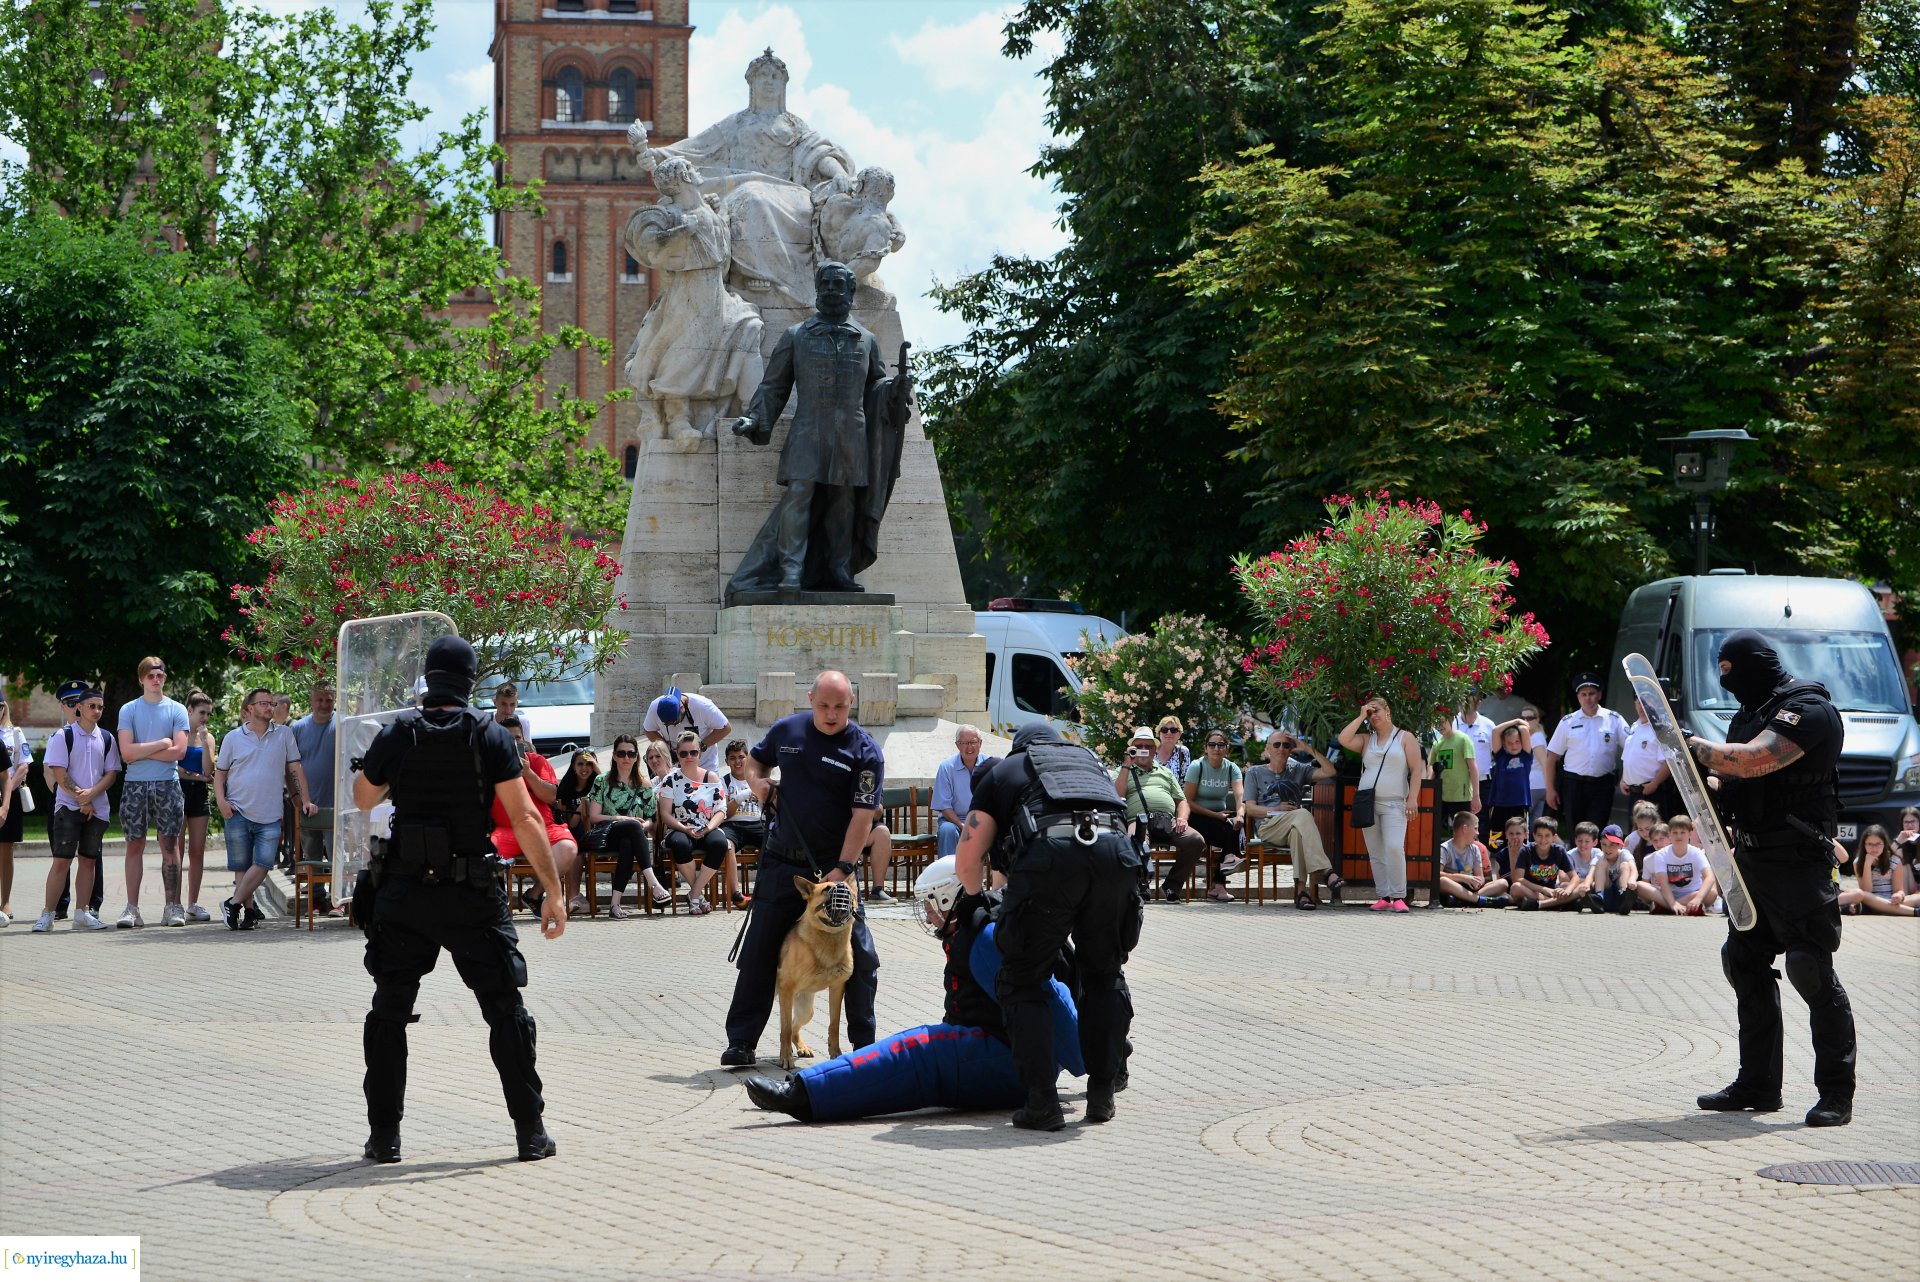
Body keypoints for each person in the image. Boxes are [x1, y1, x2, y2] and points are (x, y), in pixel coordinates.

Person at [351, 634, 567, 1163]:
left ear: (428, 679)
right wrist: (554, 893)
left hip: (403, 893)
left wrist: (390, 772)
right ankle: (530, 1133)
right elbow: (525, 817)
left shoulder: (398, 732)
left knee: (388, 1013)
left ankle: (384, 1139)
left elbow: (362, 797)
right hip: (470, 894)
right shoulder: (489, 735)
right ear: (470, 682)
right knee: (505, 1011)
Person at [740, 856, 1085, 1123]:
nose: (930, 916)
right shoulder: (974, 931)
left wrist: (1088, 1060)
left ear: (950, 898)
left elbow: (1050, 996)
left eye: (932, 905)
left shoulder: (987, 940)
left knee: (914, 1050)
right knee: (909, 1077)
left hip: (1011, 1059)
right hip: (1004, 1052)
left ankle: (802, 1092)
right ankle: (814, 1097)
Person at [1685, 630, 1857, 1125]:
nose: (1728, 682)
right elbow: (1734, 780)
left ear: (1757, 664)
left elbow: (1757, 759)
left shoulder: (1809, 709)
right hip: (1754, 863)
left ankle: (1835, 1094)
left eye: (1731, 671)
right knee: (1743, 963)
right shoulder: (1747, 714)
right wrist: (1699, 780)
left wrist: (1690, 745)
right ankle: (1758, 1084)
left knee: (1811, 971)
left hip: (1799, 865)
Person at [954, 723, 1139, 1130]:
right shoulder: (1090, 765)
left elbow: (967, 862)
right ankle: (1102, 1094)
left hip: (1051, 862)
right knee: (1104, 976)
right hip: (1116, 858)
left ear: (1021, 749)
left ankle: (1041, 1103)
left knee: (1022, 979)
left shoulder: (1005, 770)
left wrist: (975, 898)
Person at [720, 670, 883, 1067]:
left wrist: (843, 870)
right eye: (824, 705)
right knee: (759, 950)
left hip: (834, 869)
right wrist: (758, 784)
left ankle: (864, 1045)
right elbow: (755, 766)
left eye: (840, 706)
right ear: (810, 699)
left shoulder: (864, 751)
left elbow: (863, 817)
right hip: (781, 861)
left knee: (860, 955)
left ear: (852, 704)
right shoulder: (787, 731)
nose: (831, 714)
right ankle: (741, 1042)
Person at [725, 260, 912, 598]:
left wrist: (893, 390)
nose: (829, 290)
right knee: (799, 497)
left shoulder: (866, 340)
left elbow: (876, 387)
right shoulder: (796, 336)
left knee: (844, 504)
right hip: (808, 431)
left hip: (850, 436)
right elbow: (774, 386)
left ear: (851, 291)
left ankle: (840, 570)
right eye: (824, 284)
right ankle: (791, 573)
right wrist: (754, 418)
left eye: (837, 285)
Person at [620, 154, 766, 444]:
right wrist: (679, 232)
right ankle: (679, 421)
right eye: (689, 169)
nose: (696, 172)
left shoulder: (709, 210)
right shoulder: (673, 215)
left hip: (716, 292)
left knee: (749, 327)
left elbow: (722, 253)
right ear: (684, 178)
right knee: (683, 353)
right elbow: (651, 250)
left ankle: (753, 410)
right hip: (689, 293)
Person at [214, 687, 315, 931]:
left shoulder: (284, 734)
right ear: (250, 709)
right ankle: (247, 912)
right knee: (242, 867)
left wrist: (305, 799)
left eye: (272, 703)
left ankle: (232, 902)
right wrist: (221, 802)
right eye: (264, 704)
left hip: (270, 813)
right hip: (237, 810)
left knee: (264, 863)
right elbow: (220, 775)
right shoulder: (232, 738)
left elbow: (295, 769)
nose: (270, 707)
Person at [32, 687, 119, 932]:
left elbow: (111, 773)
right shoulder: (63, 735)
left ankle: (82, 912)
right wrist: (83, 798)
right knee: (62, 861)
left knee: (89, 862)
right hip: (69, 807)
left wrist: (92, 794)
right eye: (92, 706)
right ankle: (47, 914)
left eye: (100, 707)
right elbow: (59, 772)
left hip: (98, 809)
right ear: (79, 707)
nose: (97, 711)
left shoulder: (107, 738)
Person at [115, 655, 190, 927]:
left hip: (167, 784)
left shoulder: (177, 709)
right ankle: (132, 908)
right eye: (150, 676)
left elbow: (179, 751)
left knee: (170, 845)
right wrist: (161, 744)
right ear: (141, 679)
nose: (155, 680)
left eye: (159, 675)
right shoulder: (129, 710)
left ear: (164, 678)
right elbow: (126, 752)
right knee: (134, 845)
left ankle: (173, 907)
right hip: (135, 785)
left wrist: (142, 751)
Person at [1336, 697, 1424, 912]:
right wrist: (1360, 716)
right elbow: (1343, 739)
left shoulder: (1405, 737)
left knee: (1394, 848)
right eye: (1370, 712)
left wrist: (1412, 798)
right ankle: (1384, 895)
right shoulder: (1367, 740)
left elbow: (1416, 770)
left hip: (1394, 803)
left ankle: (1399, 896)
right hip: (1369, 803)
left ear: (1388, 711)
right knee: (1375, 852)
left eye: (1376, 711)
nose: (1373, 715)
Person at [490, 717, 582, 917]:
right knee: (488, 852)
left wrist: (529, 774)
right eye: (508, 739)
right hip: (505, 830)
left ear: (523, 740)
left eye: (517, 738)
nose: (514, 743)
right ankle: (497, 904)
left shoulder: (537, 762)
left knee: (567, 848)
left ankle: (534, 894)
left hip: (542, 827)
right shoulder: (489, 765)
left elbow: (551, 796)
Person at [1243, 731, 1340, 910]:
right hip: (1268, 826)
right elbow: (1250, 809)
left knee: (1298, 832)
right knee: (1302, 814)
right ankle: (1326, 870)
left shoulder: (1298, 769)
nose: (1281, 748)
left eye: (1286, 745)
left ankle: (1302, 894)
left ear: (1291, 750)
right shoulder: (1255, 772)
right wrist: (1276, 809)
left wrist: (1308, 748)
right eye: (1276, 745)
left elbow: (1330, 770)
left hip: (1294, 825)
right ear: (1268, 749)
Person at [1113, 726, 1207, 904]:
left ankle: (1172, 885)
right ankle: (1142, 884)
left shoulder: (1165, 772)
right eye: (1138, 746)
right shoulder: (1123, 771)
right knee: (1135, 840)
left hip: (1166, 820)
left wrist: (1182, 818)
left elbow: (1182, 801)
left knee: (1196, 840)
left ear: (1155, 749)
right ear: (1131, 748)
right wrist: (1127, 764)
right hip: (1137, 820)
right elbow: (1118, 796)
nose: (1143, 749)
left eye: (1148, 746)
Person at [584, 734, 671, 918]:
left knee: (628, 842)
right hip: (607, 835)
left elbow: (651, 819)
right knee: (631, 827)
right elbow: (594, 816)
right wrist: (622, 819)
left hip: (633, 837)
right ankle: (654, 884)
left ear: (636, 757)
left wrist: (642, 825)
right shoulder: (602, 781)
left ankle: (615, 905)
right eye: (621, 753)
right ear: (614, 756)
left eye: (631, 754)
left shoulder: (645, 785)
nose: (626, 758)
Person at [656, 729, 730, 915]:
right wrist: (685, 829)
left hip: (707, 826)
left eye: (693, 752)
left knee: (720, 843)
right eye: (684, 753)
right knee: (679, 843)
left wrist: (708, 828)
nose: (689, 757)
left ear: (700, 753)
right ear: (677, 755)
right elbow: (665, 814)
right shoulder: (670, 780)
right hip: (680, 828)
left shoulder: (712, 778)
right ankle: (699, 897)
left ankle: (695, 893)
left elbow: (721, 810)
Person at [1543, 673, 1628, 832]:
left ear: (1600, 695)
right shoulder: (1568, 722)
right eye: (1584, 694)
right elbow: (1552, 758)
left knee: (1597, 831)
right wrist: (1550, 789)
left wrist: (1626, 777)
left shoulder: (1614, 719)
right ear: (1578, 697)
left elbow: (1631, 748)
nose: (1588, 698)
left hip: (1602, 785)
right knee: (1575, 830)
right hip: (1574, 785)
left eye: (1591, 694)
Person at [1183, 730, 1244, 903]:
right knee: (1231, 835)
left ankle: (1227, 866)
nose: (1216, 748)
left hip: (1221, 817)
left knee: (1237, 826)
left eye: (1221, 745)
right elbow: (1187, 801)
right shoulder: (1197, 766)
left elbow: (1240, 797)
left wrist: (1239, 814)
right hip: (1197, 816)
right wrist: (1215, 815)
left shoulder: (1232, 768)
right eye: (1212, 745)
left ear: (1227, 748)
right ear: (1206, 748)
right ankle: (1220, 881)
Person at [177, 690, 218, 922]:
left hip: (199, 796)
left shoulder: (208, 738)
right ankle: (175, 904)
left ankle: (193, 903)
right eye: (202, 712)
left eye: (208, 714)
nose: (205, 718)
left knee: (197, 851)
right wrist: (194, 775)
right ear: (190, 710)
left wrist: (203, 743)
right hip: (178, 793)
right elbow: (174, 767)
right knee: (177, 851)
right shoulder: (178, 734)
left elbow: (208, 770)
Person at [290, 680, 338, 867]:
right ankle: (316, 895)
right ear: (311, 700)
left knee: (336, 852)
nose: (324, 705)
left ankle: (337, 894)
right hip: (307, 802)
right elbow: (289, 765)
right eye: (319, 700)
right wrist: (295, 794)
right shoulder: (299, 728)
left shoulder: (342, 725)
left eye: (329, 700)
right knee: (311, 854)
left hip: (335, 803)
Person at [1635, 814, 1717, 913]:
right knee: (1640, 885)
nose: (1679, 836)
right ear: (1669, 835)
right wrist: (1673, 903)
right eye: (1675, 833)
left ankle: (1665, 907)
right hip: (1668, 894)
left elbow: (1709, 877)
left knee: (1712, 892)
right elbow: (1663, 883)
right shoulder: (1661, 854)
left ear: (1690, 834)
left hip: (1693, 893)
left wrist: (1698, 898)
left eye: (1683, 832)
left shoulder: (1696, 852)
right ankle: (1682, 908)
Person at [643, 686, 732, 775]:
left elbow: (725, 728)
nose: (673, 725)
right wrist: (666, 748)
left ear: (682, 708)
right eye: (667, 724)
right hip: (674, 768)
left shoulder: (703, 706)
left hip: (704, 765)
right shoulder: (654, 706)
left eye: (674, 722)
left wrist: (701, 746)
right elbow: (648, 730)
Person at [931, 726, 986, 859]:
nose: (969, 747)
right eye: (964, 743)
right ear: (957, 745)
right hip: (953, 820)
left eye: (973, 742)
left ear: (980, 743)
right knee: (947, 830)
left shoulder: (990, 765)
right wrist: (961, 825)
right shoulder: (946, 767)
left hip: (982, 820)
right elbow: (944, 806)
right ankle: (948, 877)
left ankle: (998, 877)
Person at [1619, 698, 1678, 822]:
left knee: (1655, 836)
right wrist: (1623, 779)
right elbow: (1630, 757)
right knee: (1636, 836)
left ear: (1655, 703)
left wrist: (1655, 783)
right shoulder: (1635, 726)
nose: (1642, 707)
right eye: (1638, 703)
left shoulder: (1661, 728)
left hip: (1653, 792)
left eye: (1646, 703)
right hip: (1634, 793)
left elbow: (1669, 761)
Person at [1837, 825, 1915, 916]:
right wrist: (1867, 864)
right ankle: (1914, 912)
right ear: (1864, 845)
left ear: (1885, 844)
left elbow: (1899, 890)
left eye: (1878, 844)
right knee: (1862, 894)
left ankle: (1886, 909)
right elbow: (1867, 891)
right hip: (1870, 901)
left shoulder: (1895, 860)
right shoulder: (1858, 862)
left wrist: (1899, 896)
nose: (1874, 848)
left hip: (1891, 900)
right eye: (1870, 844)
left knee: (1915, 898)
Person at [1435, 810, 1506, 907]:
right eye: (1475, 828)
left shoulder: (1475, 849)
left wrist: (1479, 881)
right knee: (1442, 881)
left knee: (1503, 883)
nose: (1478, 833)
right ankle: (1479, 900)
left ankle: (1464, 900)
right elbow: (1437, 874)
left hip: (1471, 888)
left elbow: (1480, 876)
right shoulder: (1445, 848)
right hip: (1455, 886)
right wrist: (1463, 878)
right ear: (1465, 829)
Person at [0, 692, 29, 927]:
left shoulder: (15, 733)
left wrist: (8, 790)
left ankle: (6, 901)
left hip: (10, 796)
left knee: (6, 851)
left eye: (0, 706)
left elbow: (24, 765)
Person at [1509, 817, 1577, 911]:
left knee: (1570, 886)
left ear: (1554, 837)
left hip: (1553, 891)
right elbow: (1518, 879)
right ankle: (1555, 903)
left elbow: (1574, 877)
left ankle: (1551, 902)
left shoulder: (1559, 851)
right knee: (1515, 888)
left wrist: (1567, 891)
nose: (1543, 840)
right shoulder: (1526, 851)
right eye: (1539, 835)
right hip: (1533, 892)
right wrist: (1543, 889)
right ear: (1534, 835)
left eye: (1547, 836)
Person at [1484, 717, 1533, 839]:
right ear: (1504, 744)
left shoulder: (1525, 756)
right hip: (1499, 803)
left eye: (1517, 741)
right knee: (1497, 841)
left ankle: (1517, 858)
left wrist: (1519, 725)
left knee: (1518, 839)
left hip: (1520, 803)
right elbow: (1495, 731)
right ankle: (1499, 858)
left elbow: (1524, 729)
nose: (1514, 745)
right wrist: (1516, 721)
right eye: (1510, 743)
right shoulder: (1501, 756)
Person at [720, 739, 768, 860]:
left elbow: (770, 809)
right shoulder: (723, 781)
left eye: (741, 757)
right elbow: (725, 814)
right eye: (732, 758)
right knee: (726, 846)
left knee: (773, 844)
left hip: (757, 823)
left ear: (748, 759)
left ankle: (764, 878)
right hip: (732, 825)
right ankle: (733, 880)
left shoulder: (758, 779)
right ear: (726, 761)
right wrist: (742, 796)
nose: (737, 761)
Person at [1429, 718, 1480, 825]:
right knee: (1433, 831)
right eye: (1436, 722)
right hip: (1441, 796)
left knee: (1464, 831)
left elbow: (1473, 768)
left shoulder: (1463, 739)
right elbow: (1431, 768)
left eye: (1442, 721)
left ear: (1451, 719)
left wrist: (1476, 796)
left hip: (1461, 797)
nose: (1440, 726)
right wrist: (1429, 792)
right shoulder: (1436, 743)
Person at [1453, 692, 1497, 811]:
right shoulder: (1451, 724)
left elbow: (1497, 754)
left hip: (1483, 784)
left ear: (1479, 704)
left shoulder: (1488, 725)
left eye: (1468, 701)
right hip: (1455, 784)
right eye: (1462, 700)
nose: (1464, 704)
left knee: (1482, 824)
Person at [1586, 826, 1639, 914]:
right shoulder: (1599, 856)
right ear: (1600, 843)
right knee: (1601, 863)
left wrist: (1632, 879)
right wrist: (1586, 886)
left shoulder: (1624, 854)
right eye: (1604, 844)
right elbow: (1590, 875)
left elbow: (1634, 869)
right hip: (1607, 893)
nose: (1607, 849)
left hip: (1620, 893)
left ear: (1621, 845)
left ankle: (1624, 897)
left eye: (1612, 845)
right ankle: (1599, 899)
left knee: (1625, 865)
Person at [1152, 716, 1190, 782]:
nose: (1169, 733)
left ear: (1179, 734)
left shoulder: (1183, 752)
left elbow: (1184, 782)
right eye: (1164, 730)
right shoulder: (1151, 751)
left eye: (1173, 730)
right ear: (1159, 733)